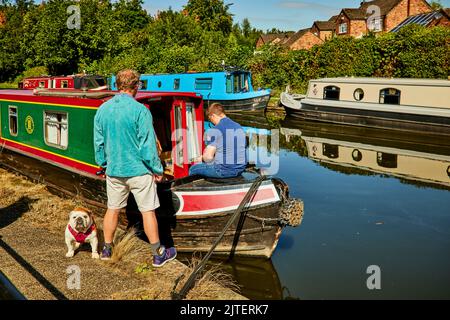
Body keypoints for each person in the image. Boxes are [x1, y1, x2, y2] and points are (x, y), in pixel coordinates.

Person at [94, 69, 176, 267]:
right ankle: (158, 254)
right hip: (139, 171)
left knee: (112, 209)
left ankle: (106, 249)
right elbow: (147, 146)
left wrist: (103, 164)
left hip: (114, 170)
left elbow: (99, 143)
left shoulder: (102, 110)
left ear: (116, 85)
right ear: (136, 86)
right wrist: (157, 170)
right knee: (148, 212)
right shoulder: (140, 111)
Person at [189, 103, 247, 178]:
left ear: (212, 115)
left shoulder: (216, 129)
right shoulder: (238, 126)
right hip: (240, 169)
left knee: (193, 169)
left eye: (210, 119)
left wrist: (202, 158)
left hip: (224, 171)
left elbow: (208, 157)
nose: (212, 122)